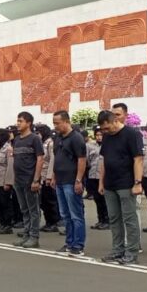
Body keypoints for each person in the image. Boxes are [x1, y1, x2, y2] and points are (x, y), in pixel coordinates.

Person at [97, 108, 144, 265]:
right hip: (110, 183)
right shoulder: (107, 137)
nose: (105, 131)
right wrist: (101, 182)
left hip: (126, 183)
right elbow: (104, 160)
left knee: (129, 218)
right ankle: (117, 250)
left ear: (115, 121)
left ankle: (131, 252)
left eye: (107, 127)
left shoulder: (132, 134)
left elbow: (138, 159)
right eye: (102, 129)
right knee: (114, 219)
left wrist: (137, 183)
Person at [50, 110, 87, 256]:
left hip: (71, 182)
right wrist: (53, 176)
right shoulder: (58, 138)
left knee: (76, 214)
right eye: (54, 123)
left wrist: (78, 180)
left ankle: (78, 245)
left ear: (66, 121)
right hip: (60, 181)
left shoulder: (76, 138)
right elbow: (56, 158)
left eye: (57, 123)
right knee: (65, 214)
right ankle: (69, 243)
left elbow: (82, 160)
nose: (55, 126)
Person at [11, 112, 44, 248]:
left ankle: (34, 237)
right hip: (18, 180)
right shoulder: (17, 139)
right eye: (17, 121)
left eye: (21, 121)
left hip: (30, 180)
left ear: (28, 123)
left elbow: (40, 159)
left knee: (33, 210)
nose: (18, 123)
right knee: (24, 209)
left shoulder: (34, 139)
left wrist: (36, 180)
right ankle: (26, 234)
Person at [86, 128, 109, 229]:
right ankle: (101, 220)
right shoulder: (90, 146)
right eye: (97, 135)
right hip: (92, 175)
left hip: (104, 176)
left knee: (105, 199)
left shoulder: (108, 145)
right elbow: (87, 160)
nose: (99, 137)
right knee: (97, 199)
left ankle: (107, 220)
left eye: (101, 135)